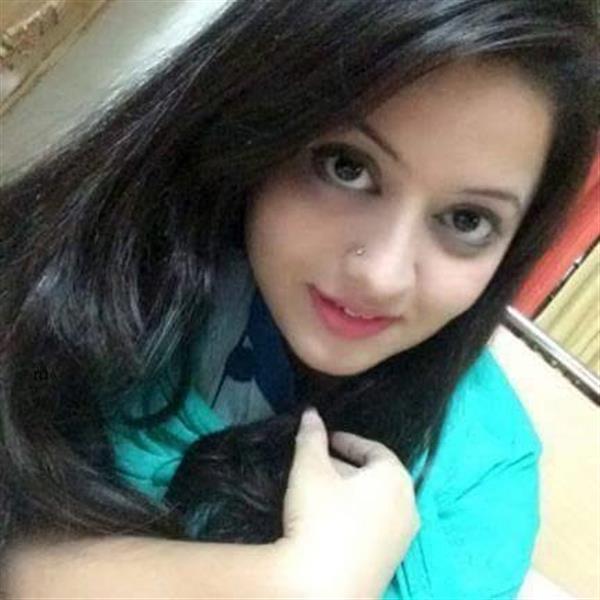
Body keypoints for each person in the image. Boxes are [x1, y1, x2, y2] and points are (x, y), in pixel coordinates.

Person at [1, 0, 597, 597]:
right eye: (347, 166)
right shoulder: (68, 279)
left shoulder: (482, 477)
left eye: (467, 220)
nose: (382, 275)